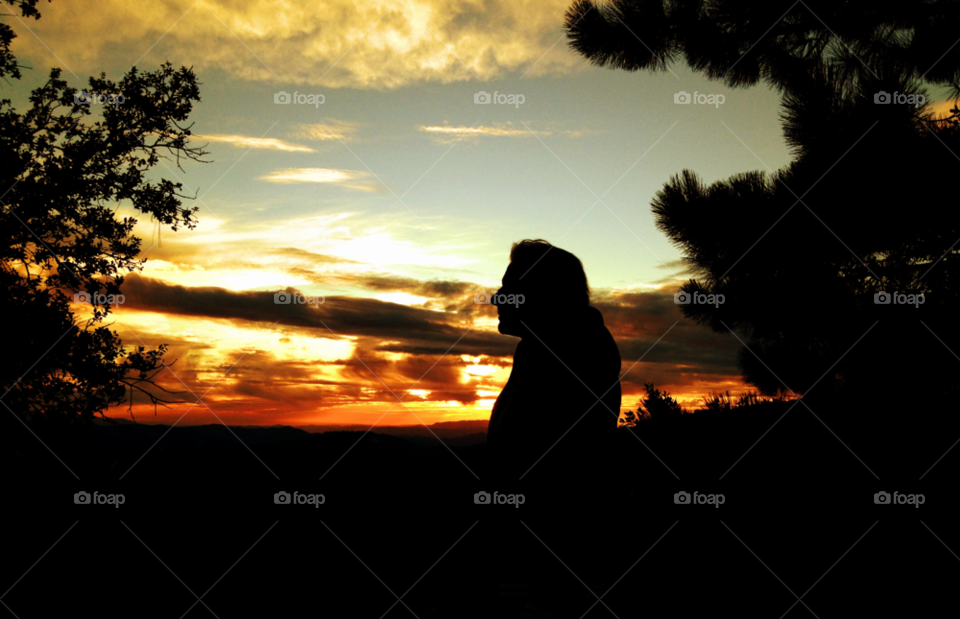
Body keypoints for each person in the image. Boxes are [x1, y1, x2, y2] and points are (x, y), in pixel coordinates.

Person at [481, 239, 622, 618]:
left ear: (544, 294)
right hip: (531, 556)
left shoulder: (575, 352)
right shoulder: (540, 348)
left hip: (555, 566)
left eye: (510, 290)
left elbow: (558, 478)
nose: (497, 298)